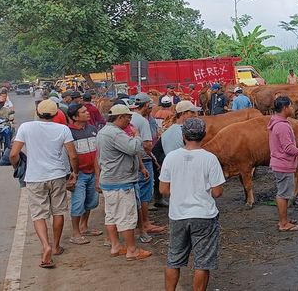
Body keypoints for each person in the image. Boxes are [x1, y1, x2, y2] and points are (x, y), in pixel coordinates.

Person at [9, 100, 79, 269]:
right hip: (57, 175)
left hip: (35, 177)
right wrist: (74, 172)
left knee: (39, 214)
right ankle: (55, 247)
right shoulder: (63, 129)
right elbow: (73, 156)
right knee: (58, 211)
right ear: (56, 114)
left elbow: (13, 154)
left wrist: (17, 166)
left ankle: (45, 246)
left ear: (38, 112)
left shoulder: (26, 127)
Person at [160, 118, 225, 291]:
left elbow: (164, 189)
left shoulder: (171, 158)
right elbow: (217, 192)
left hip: (178, 215)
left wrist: (181, 192)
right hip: (204, 216)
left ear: (183, 136)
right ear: (203, 135)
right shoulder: (210, 159)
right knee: (202, 263)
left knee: (173, 259)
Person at [96, 104, 152, 260]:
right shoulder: (115, 134)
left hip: (110, 180)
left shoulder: (103, 132)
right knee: (126, 217)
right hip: (121, 181)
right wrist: (137, 135)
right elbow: (134, 149)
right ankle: (132, 250)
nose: (129, 121)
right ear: (120, 117)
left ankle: (115, 246)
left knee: (112, 216)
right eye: (128, 117)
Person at [268, 96, 298, 232]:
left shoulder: (276, 122)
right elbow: (288, 148)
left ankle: (284, 219)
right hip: (284, 164)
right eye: (290, 106)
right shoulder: (282, 126)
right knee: (283, 194)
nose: (292, 108)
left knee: (283, 192)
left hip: (280, 162)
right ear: (284, 108)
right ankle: (283, 223)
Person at [129, 93, 165, 240]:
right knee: (144, 194)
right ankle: (144, 224)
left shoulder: (129, 116)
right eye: (149, 107)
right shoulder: (142, 121)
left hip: (133, 159)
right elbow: (147, 144)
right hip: (144, 159)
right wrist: (153, 158)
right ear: (145, 106)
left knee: (138, 192)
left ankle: (143, 222)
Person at [66, 103, 103, 245]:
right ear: (75, 117)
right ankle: (75, 233)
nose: (88, 113)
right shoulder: (69, 133)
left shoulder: (92, 129)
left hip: (93, 172)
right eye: (83, 112)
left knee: (91, 201)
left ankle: (84, 226)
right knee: (78, 202)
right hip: (79, 174)